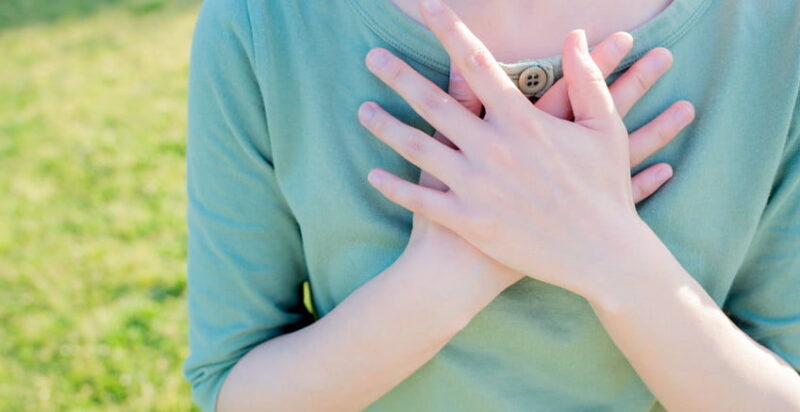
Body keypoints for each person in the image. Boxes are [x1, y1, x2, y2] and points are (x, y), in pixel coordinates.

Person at [183, 0, 800, 410]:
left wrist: (613, 257)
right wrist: (444, 278)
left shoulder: (778, 31)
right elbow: (234, 386)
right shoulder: (263, 21)